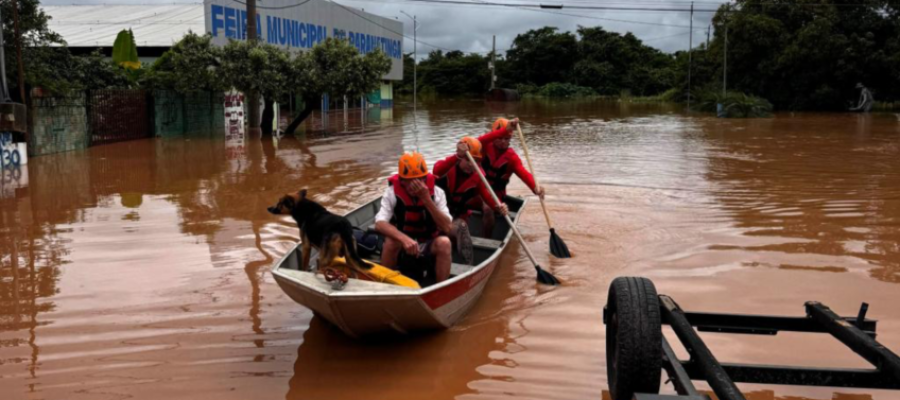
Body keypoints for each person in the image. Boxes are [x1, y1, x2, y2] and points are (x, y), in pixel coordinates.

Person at [375, 152, 454, 284]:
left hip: (429, 241)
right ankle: (384, 285)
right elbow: (379, 223)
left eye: (419, 179)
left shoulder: (438, 193)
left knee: (445, 243)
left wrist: (426, 199)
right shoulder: (391, 193)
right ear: (401, 180)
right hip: (403, 242)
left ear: (425, 178)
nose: (414, 184)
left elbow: (447, 226)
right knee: (390, 242)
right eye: (409, 180)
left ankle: (441, 287)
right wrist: (404, 239)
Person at [433, 137, 509, 264]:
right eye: (468, 160)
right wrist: (457, 156)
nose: (471, 165)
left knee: (463, 226)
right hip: (435, 219)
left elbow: (487, 197)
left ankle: (468, 265)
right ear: (460, 157)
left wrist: (499, 207)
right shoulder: (447, 167)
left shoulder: (477, 177)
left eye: (476, 161)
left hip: (455, 220)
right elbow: (437, 170)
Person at [477, 117, 545, 237]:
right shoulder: (483, 146)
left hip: (495, 196)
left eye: (506, 138)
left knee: (487, 209)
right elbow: (479, 140)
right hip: (476, 192)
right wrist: (504, 130)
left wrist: (535, 187)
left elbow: (524, 173)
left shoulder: (512, 158)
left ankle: (486, 238)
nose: (503, 141)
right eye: (500, 138)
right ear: (494, 136)